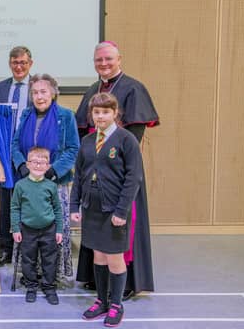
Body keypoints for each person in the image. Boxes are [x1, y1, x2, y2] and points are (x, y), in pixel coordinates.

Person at [75, 41, 158, 300]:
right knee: (97, 226)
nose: (104, 64)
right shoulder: (92, 90)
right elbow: (82, 131)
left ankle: (126, 282)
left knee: (122, 225)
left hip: (119, 172)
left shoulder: (134, 87)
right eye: (99, 60)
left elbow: (133, 135)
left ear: (119, 59)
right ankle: (96, 281)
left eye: (108, 59)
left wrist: (114, 160)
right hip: (93, 172)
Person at [71, 92, 144, 327]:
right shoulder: (87, 141)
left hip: (114, 209)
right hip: (92, 208)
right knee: (98, 256)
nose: (100, 116)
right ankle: (101, 301)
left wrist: (122, 211)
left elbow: (133, 179)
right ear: (91, 115)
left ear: (115, 113)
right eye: (96, 112)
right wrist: (75, 205)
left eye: (105, 112)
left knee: (114, 258)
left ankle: (116, 304)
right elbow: (80, 175)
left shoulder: (126, 140)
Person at [11, 74, 79, 283]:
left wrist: (52, 172)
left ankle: (52, 275)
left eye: (43, 91)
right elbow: (14, 145)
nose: (39, 96)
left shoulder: (66, 115)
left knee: (52, 232)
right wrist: (22, 166)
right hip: (28, 184)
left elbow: (72, 148)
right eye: (35, 92)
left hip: (54, 184)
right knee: (29, 231)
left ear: (53, 93)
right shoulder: (25, 115)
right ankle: (31, 275)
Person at [0, 45, 33, 266]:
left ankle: (27, 249)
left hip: (30, 155)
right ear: (10, 64)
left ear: (30, 64)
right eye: (15, 62)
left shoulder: (40, 87)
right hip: (5, 154)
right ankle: (6, 248)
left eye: (23, 63)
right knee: (6, 203)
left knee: (30, 202)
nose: (19, 67)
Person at [11, 147, 63, 305]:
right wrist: (15, 228)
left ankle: (49, 288)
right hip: (27, 230)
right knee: (28, 260)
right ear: (27, 164)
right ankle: (31, 287)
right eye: (34, 162)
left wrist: (59, 230)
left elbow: (57, 209)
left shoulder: (51, 186)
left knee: (50, 260)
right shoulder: (20, 186)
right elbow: (15, 208)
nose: (38, 166)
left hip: (49, 229)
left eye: (42, 163)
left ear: (48, 166)